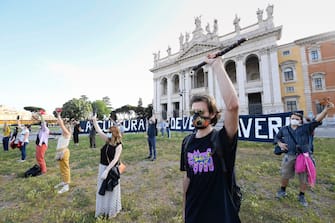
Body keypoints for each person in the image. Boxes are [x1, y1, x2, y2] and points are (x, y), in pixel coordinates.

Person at [180, 53, 240, 222]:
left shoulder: (222, 138)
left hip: (220, 214)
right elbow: (188, 177)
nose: (196, 116)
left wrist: (216, 66)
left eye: (201, 112)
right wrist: (184, 208)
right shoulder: (187, 142)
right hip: (194, 213)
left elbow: (233, 106)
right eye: (193, 112)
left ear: (212, 114)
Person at [274, 102, 334, 207]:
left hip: (303, 157)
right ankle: (282, 190)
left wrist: (325, 110)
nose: (294, 120)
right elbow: (277, 137)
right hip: (289, 156)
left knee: (303, 178)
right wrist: (280, 143)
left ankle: (301, 196)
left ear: (300, 121)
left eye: (297, 119)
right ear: (289, 119)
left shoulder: (306, 128)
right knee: (285, 174)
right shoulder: (284, 129)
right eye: (293, 118)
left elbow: (317, 120)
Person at [91, 115, 123, 218]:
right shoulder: (108, 140)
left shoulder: (119, 146)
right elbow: (99, 130)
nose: (108, 133)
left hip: (111, 170)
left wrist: (107, 170)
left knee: (111, 190)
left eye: (110, 132)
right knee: (102, 189)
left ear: (114, 134)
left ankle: (111, 211)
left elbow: (115, 160)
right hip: (102, 167)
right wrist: (94, 120)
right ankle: (102, 210)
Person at [54, 109, 72, 194]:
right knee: (62, 168)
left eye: (65, 127)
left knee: (65, 168)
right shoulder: (63, 134)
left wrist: (58, 115)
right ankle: (64, 181)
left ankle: (66, 185)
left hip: (64, 153)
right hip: (60, 153)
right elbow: (61, 124)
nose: (63, 128)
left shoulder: (67, 133)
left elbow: (61, 124)